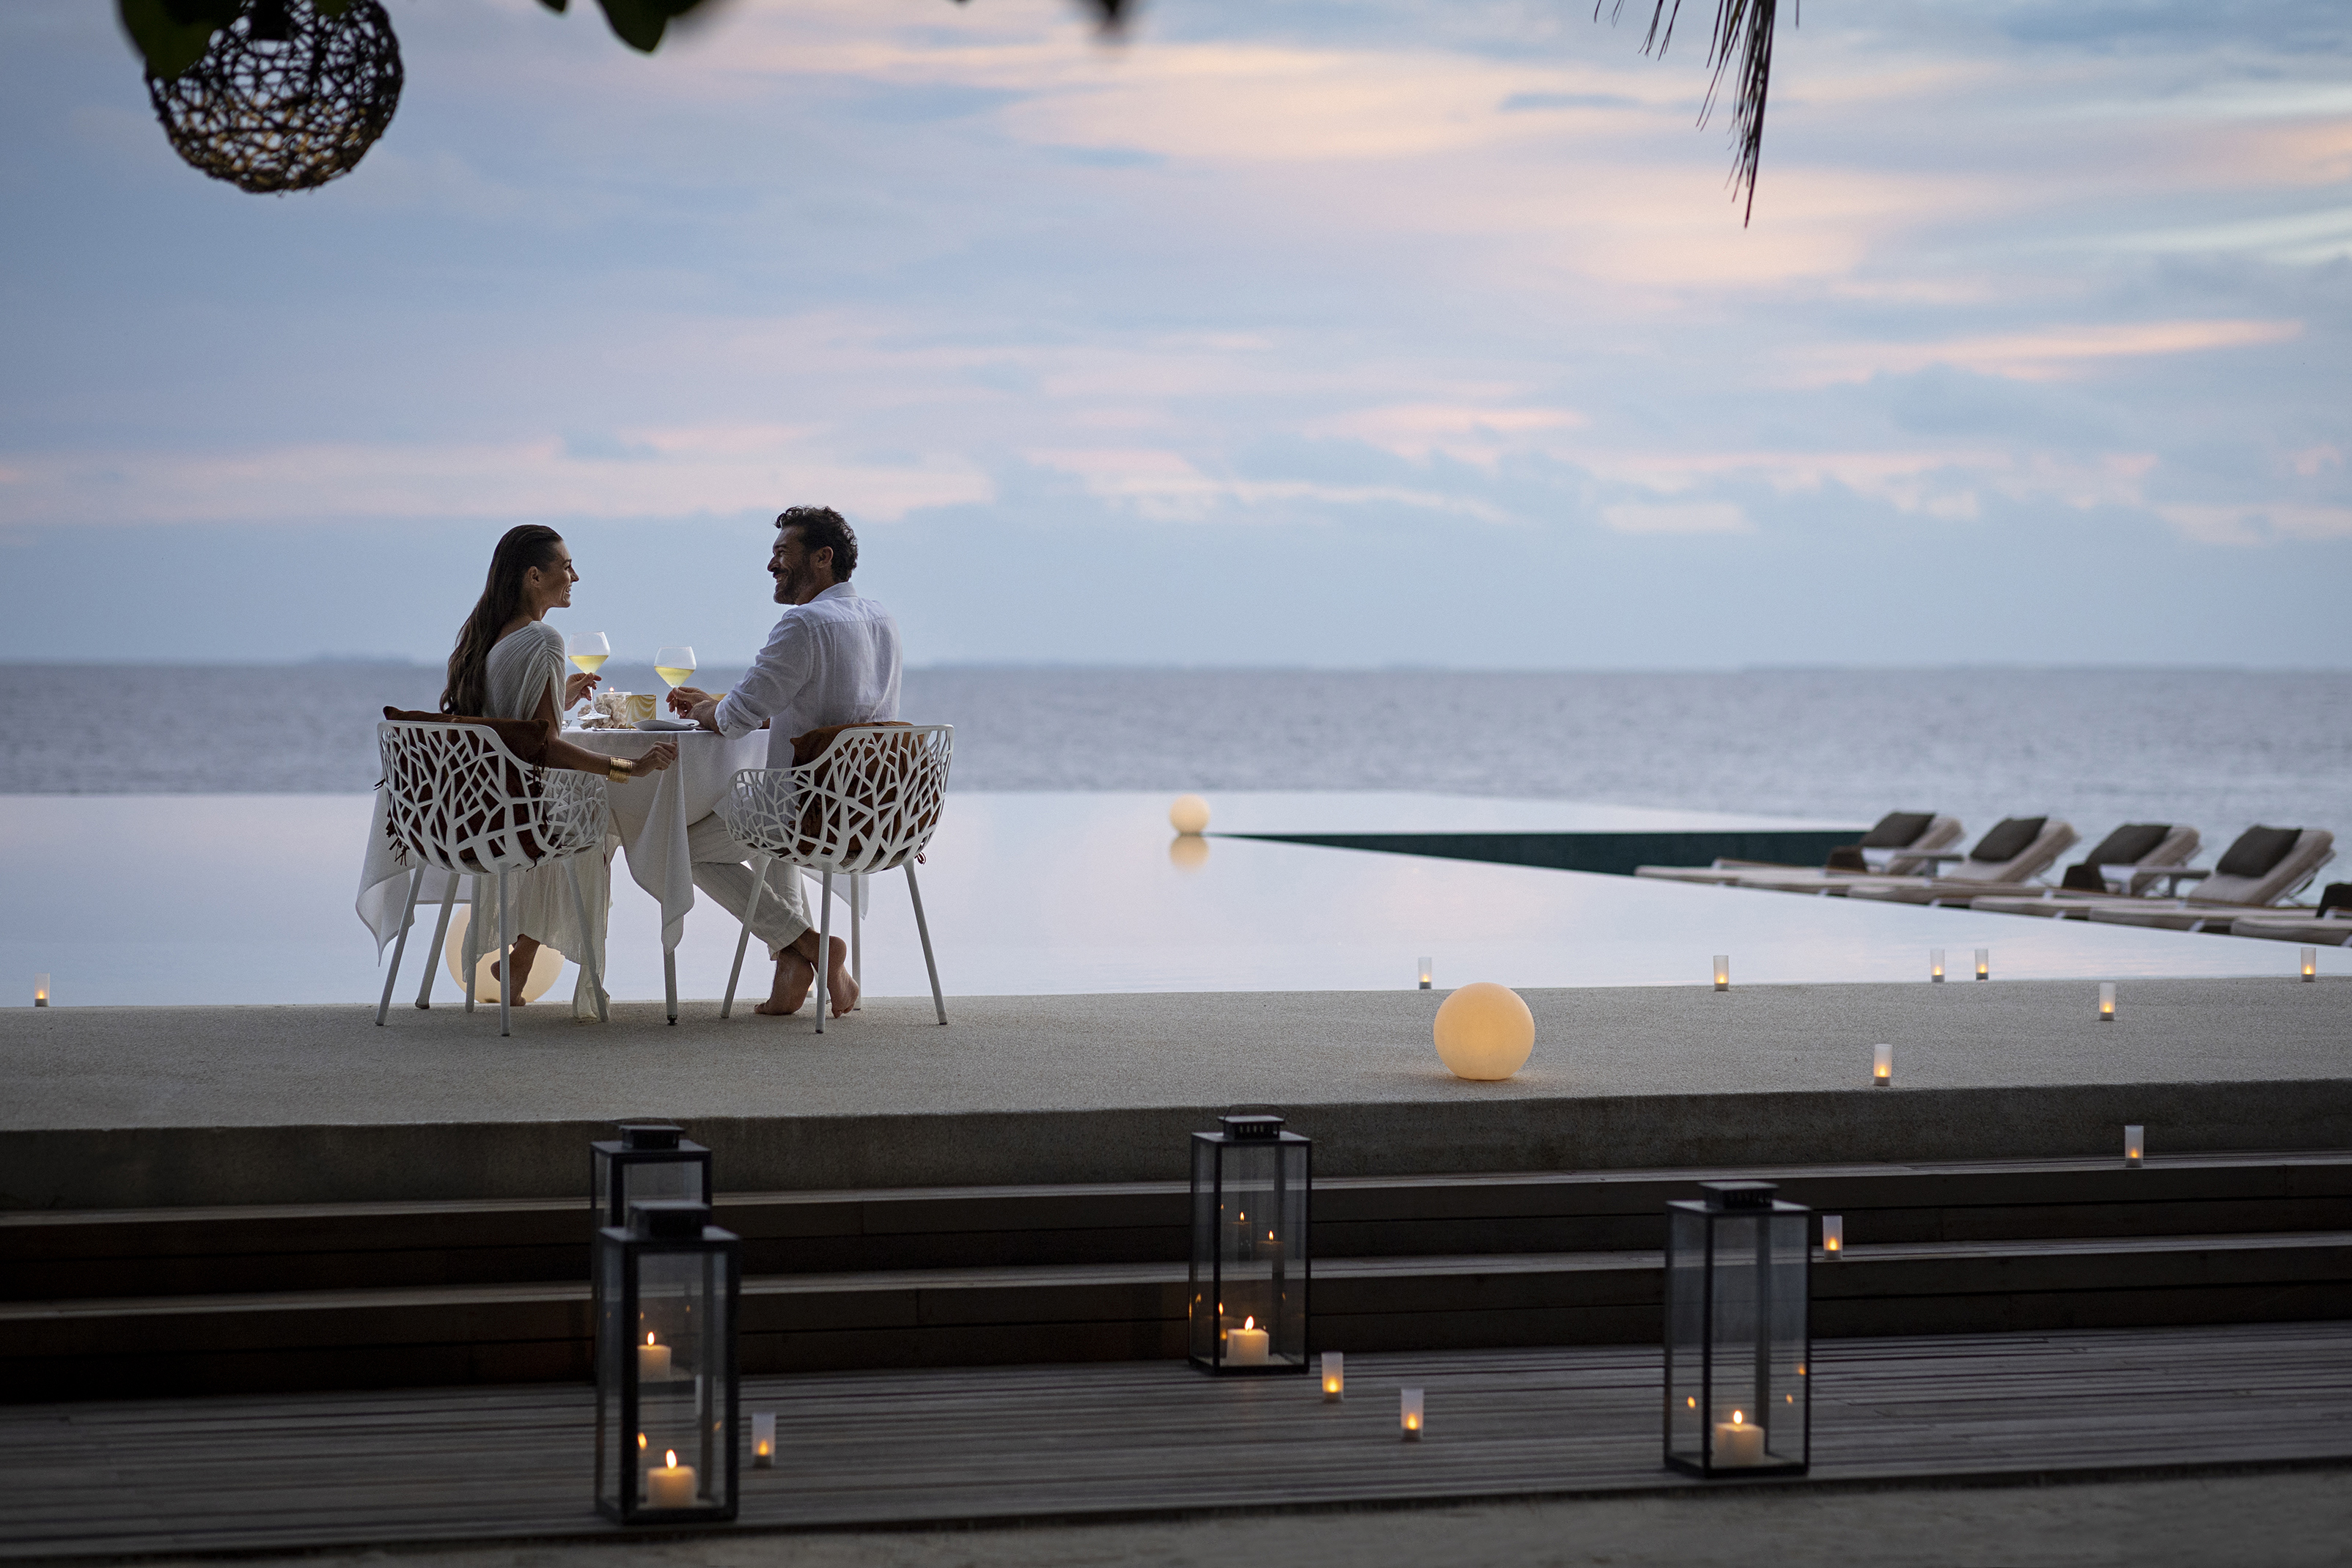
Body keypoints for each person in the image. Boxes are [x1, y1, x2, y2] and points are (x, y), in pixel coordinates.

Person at [666, 507, 900, 1017]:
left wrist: (710, 709)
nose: (772, 565)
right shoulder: (882, 618)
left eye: (781, 554)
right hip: (878, 811)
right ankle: (793, 967)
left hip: (811, 810)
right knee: (758, 816)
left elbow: (735, 719)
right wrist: (726, 706)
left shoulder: (803, 623)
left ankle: (809, 944)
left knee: (680, 846)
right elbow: (823, 711)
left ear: (823, 558)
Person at [442, 525, 677, 1012]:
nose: (575, 576)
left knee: (585, 821)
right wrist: (626, 767)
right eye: (565, 566)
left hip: (473, 813)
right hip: (516, 816)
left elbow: (512, 725)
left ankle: (521, 961)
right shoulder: (543, 640)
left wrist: (557, 697)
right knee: (603, 825)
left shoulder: (486, 638)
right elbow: (546, 746)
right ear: (534, 576)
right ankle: (527, 960)